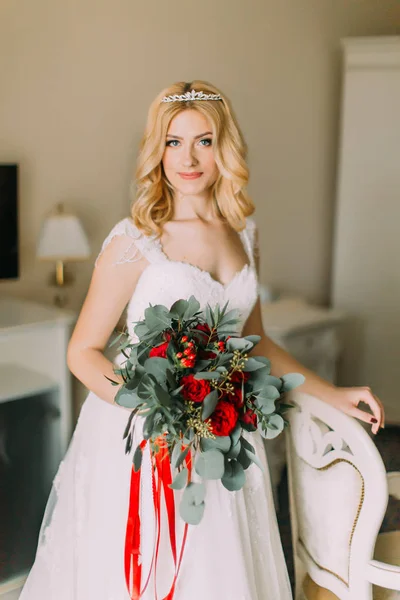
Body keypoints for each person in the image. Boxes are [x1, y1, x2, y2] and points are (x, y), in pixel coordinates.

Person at [19, 80, 384, 600]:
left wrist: (333, 393)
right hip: (147, 440)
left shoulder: (245, 231)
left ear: (224, 148)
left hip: (224, 436)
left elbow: (254, 342)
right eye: (173, 141)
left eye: (204, 141)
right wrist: (158, 411)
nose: (187, 158)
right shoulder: (136, 237)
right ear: (157, 149)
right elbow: (82, 351)